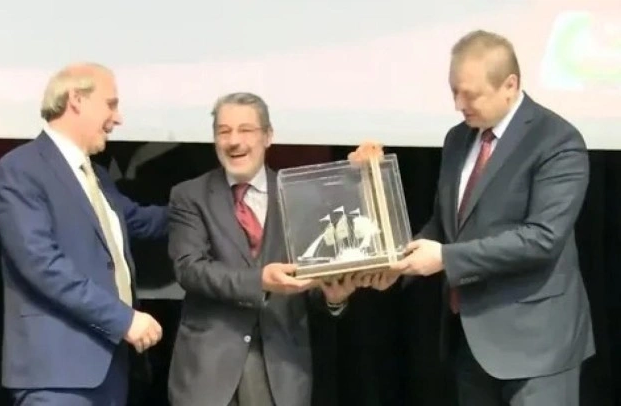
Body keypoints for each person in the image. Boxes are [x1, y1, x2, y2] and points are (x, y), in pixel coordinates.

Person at [351, 30, 595, 405]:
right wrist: (398, 262)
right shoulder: (458, 139)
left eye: (470, 94)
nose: (458, 104)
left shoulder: (557, 140)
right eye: (454, 92)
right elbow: (445, 224)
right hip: (470, 344)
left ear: (509, 85)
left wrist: (445, 258)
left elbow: (542, 239)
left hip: (538, 346)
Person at [167, 92, 379, 406]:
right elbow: (190, 269)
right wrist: (260, 281)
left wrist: (333, 298)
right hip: (209, 373)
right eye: (224, 131)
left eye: (246, 130)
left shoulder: (300, 196)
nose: (234, 141)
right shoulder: (189, 195)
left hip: (282, 370)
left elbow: (312, 277)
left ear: (268, 136)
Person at [0, 62, 167, 405]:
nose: (118, 118)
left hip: (110, 371)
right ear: (76, 100)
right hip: (57, 376)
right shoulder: (20, 170)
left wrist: (209, 203)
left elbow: (140, 221)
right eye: (111, 104)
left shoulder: (97, 176)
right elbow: (43, 266)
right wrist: (124, 320)